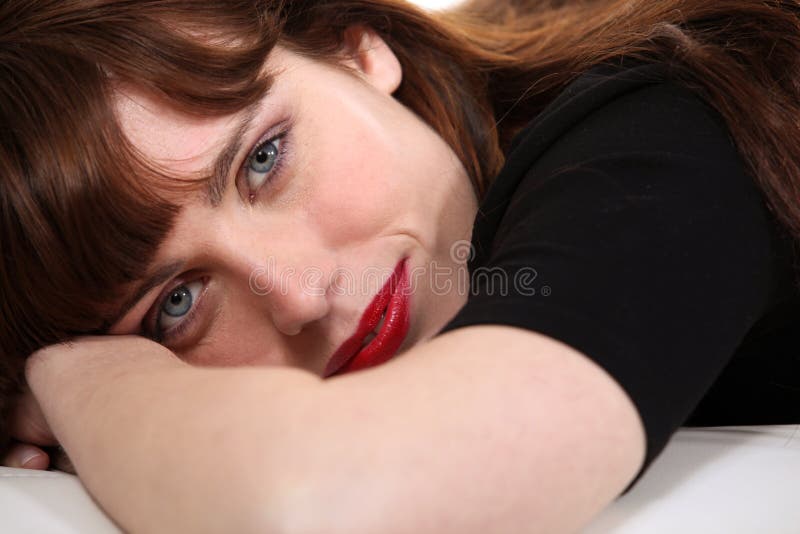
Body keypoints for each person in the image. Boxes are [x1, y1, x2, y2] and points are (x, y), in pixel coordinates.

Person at [2, 0, 799, 531]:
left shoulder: (661, 133)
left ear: (355, 51)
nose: (299, 296)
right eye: (174, 306)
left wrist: (82, 376)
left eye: (265, 158)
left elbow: (335, 505)